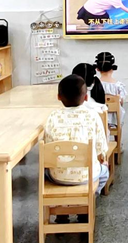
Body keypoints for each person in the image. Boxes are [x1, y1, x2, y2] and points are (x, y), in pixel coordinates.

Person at [43, 75, 109, 223]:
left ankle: (61, 213)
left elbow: (48, 147)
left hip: (57, 177)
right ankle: (86, 205)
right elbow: (101, 149)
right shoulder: (93, 116)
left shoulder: (53, 117)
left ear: (58, 97)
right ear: (86, 97)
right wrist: (102, 161)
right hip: (87, 177)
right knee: (104, 172)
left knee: (45, 171)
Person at [95, 52, 126, 127]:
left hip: (98, 119)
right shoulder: (119, 86)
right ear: (113, 68)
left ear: (97, 69)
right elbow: (121, 102)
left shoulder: (93, 85)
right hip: (114, 120)